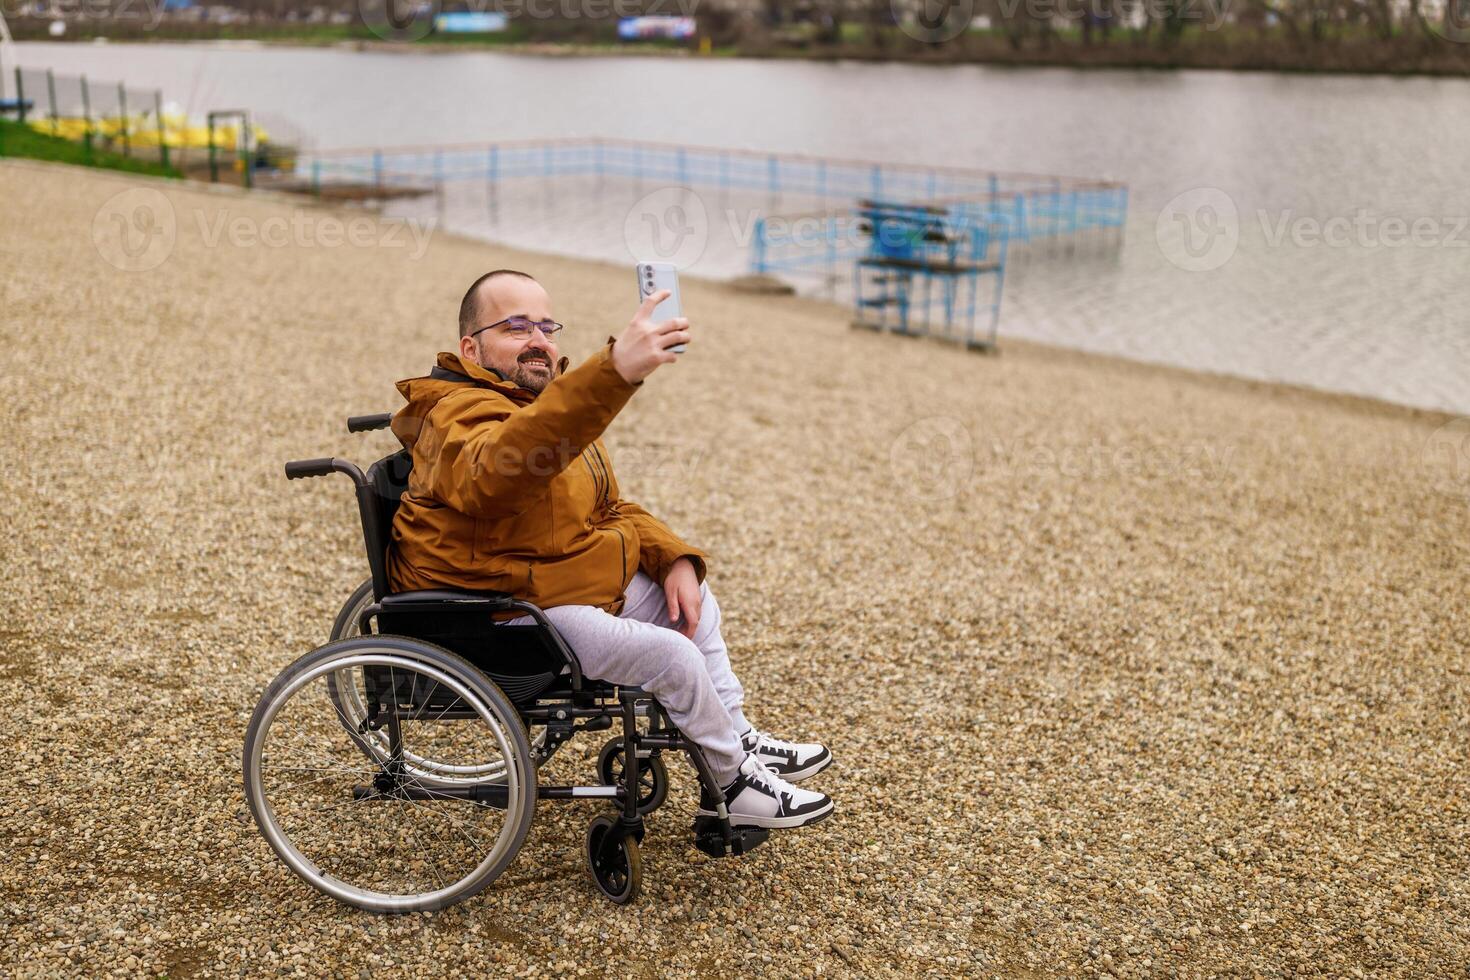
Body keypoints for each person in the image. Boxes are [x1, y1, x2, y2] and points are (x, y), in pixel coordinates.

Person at [386, 269, 834, 830]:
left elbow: (608, 509)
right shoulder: (459, 413)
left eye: (547, 326)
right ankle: (732, 782)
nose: (539, 341)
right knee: (671, 656)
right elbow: (498, 476)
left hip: (554, 584)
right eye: (516, 326)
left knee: (693, 602)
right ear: (470, 348)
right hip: (502, 609)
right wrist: (613, 371)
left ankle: (737, 737)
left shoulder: (541, 406)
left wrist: (671, 557)